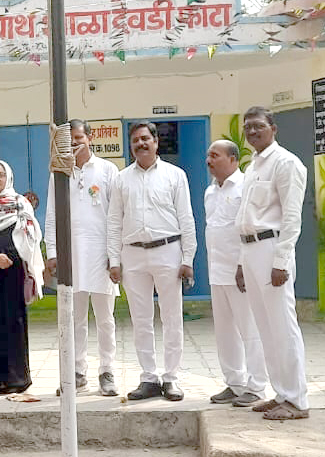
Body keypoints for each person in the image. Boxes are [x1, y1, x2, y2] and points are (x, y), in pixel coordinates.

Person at [107, 120, 196, 401]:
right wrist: (113, 260)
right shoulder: (121, 179)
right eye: (135, 140)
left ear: (156, 142)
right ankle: (148, 377)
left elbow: (186, 218)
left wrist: (188, 258)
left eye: (145, 139)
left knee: (172, 317)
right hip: (132, 254)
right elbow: (114, 221)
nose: (141, 144)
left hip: (168, 251)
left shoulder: (175, 175)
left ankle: (171, 378)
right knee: (141, 318)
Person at [235, 106, 309, 421]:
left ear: (273, 128)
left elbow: (292, 218)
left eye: (258, 126)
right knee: (265, 327)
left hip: (271, 250)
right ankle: (281, 393)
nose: (252, 131)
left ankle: (297, 399)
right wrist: (241, 263)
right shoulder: (252, 166)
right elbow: (246, 218)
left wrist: (281, 261)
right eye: (247, 127)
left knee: (283, 326)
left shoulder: (286, 163)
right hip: (250, 250)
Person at [45, 119, 120, 396]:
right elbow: (51, 215)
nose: (75, 143)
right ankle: (77, 372)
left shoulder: (108, 170)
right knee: (74, 318)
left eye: (79, 137)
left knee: (105, 319)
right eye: (71, 139)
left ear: (90, 138)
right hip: (71, 256)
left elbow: (116, 216)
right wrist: (52, 253)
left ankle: (107, 371)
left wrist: (114, 256)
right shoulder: (59, 173)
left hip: (101, 256)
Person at [0, 160, 44, 393]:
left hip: (12, 273)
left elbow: (29, 238)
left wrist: (5, 258)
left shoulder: (20, 204)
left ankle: (14, 378)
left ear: (8, 178)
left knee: (12, 323)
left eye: (0, 175)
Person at [204, 140, 267, 407]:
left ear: (233, 159)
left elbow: (247, 229)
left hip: (239, 272)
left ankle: (257, 386)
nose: (209, 160)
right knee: (225, 332)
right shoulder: (210, 192)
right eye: (208, 155)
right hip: (216, 270)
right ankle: (235, 383)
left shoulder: (244, 187)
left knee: (249, 329)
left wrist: (242, 265)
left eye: (215, 155)